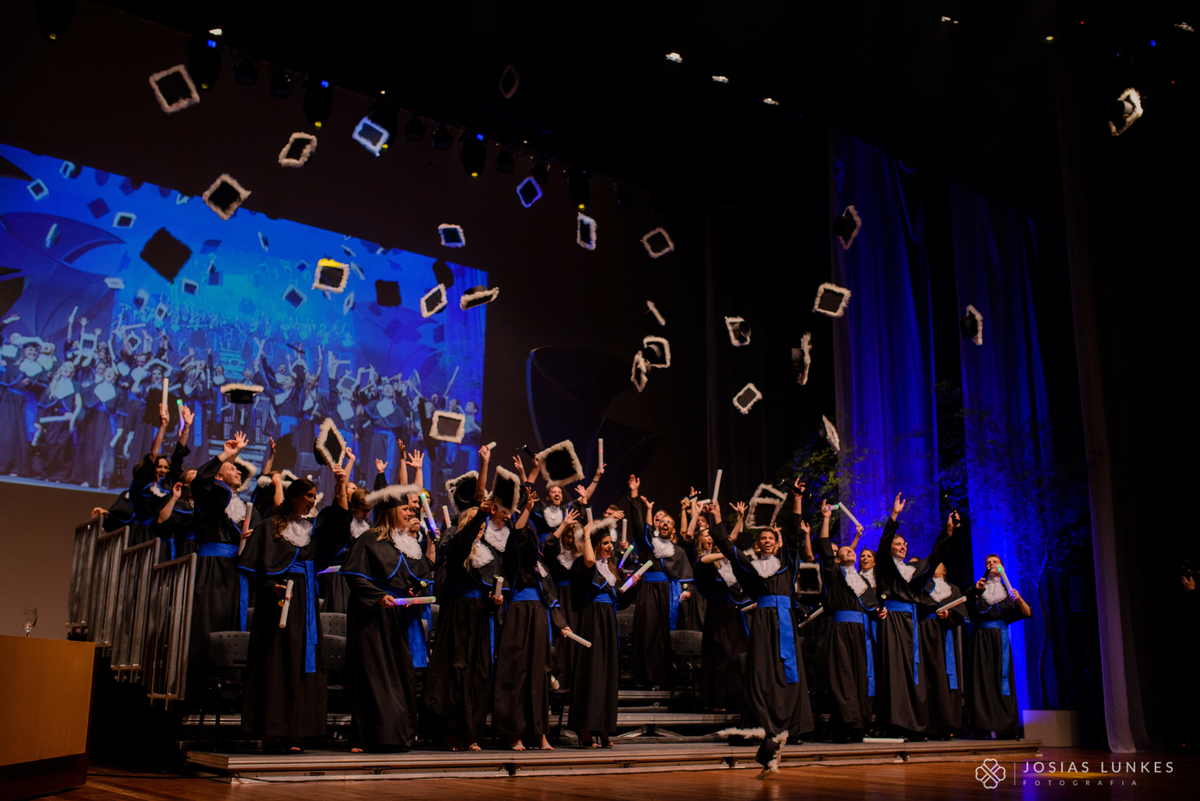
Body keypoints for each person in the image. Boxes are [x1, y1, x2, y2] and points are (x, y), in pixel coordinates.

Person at [238, 462, 353, 751]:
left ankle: (293, 732)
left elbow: (339, 526)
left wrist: (341, 486)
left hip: (305, 605)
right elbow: (254, 570)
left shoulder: (310, 531)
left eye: (315, 496)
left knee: (301, 663)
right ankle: (270, 730)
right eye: (308, 495)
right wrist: (271, 587)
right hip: (275, 605)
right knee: (275, 665)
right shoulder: (269, 527)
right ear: (294, 497)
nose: (312, 500)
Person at [707, 480, 813, 775]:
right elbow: (728, 549)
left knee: (787, 673)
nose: (767, 540)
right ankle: (765, 728)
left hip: (785, 623)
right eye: (762, 538)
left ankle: (785, 729)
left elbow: (794, 536)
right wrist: (717, 517)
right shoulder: (751, 568)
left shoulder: (786, 564)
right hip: (763, 624)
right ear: (758, 544)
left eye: (771, 538)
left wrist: (797, 499)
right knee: (759, 675)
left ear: (776, 544)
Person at [339, 481, 433, 752]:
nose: (411, 513)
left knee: (401, 676)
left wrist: (415, 591)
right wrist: (378, 595)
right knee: (372, 676)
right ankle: (366, 737)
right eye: (406, 509)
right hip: (370, 617)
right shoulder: (369, 539)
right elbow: (355, 577)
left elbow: (418, 577)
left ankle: (398, 735)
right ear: (391, 512)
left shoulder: (407, 543)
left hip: (398, 618)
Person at [493, 480, 570, 750]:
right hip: (518, 615)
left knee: (539, 674)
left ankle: (539, 732)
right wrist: (527, 507)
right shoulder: (514, 559)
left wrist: (561, 624)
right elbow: (519, 532)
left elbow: (551, 598)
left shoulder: (541, 568)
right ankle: (513, 732)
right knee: (516, 672)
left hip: (539, 617)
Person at [874, 494, 958, 738]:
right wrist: (894, 516)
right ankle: (895, 723)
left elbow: (935, 557)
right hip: (892, 621)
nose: (903, 547)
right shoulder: (886, 566)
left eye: (904, 545)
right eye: (898, 544)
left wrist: (948, 531)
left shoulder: (914, 570)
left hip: (912, 622)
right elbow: (883, 544)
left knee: (914, 671)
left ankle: (915, 724)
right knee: (895, 671)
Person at [814, 498, 878, 742]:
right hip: (841, 630)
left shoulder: (861, 579)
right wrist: (826, 519)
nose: (850, 551)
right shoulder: (835, 576)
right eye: (844, 551)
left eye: (852, 550)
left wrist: (878, 612)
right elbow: (825, 551)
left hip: (861, 632)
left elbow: (871, 604)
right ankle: (846, 724)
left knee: (860, 676)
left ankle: (859, 723)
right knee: (843, 677)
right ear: (838, 560)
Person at [627, 474, 698, 689]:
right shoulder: (649, 545)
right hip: (648, 593)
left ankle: (664, 678)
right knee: (648, 634)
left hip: (670, 596)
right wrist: (634, 494)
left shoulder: (678, 552)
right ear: (658, 527)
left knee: (664, 636)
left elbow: (686, 578)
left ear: (674, 530)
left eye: (670, 522)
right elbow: (637, 523)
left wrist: (686, 591)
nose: (665, 524)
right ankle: (646, 677)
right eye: (662, 522)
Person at [568, 514, 622, 749]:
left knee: (607, 674)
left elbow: (619, 600)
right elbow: (589, 558)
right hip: (592, 621)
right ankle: (585, 727)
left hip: (608, 622)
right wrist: (587, 535)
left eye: (611, 543)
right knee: (591, 673)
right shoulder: (583, 564)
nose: (610, 547)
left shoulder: (609, 569)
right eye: (605, 543)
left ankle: (603, 726)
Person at [964, 554, 1032, 739]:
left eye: (995, 562)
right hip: (980, 640)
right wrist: (975, 591)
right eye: (988, 562)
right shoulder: (978, 590)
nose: (991, 564)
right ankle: (981, 727)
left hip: (1000, 641)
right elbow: (968, 606)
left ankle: (1005, 727)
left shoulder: (1008, 593)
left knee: (1002, 681)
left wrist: (1019, 599)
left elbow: (1027, 612)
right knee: (981, 681)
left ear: (1002, 567)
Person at [693, 499, 750, 713]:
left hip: (734, 613)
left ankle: (736, 699)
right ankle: (718, 699)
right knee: (721, 657)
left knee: (737, 657)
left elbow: (730, 539)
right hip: (717, 614)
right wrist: (727, 552)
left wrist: (741, 518)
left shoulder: (729, 564)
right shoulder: (707, 560)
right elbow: (704, 561)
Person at [917, 550, 968, 739]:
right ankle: (929, 723)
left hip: (945, 636)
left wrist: (948, 615)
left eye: (939, 564)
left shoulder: (953, 589)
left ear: (945, 571)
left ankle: (948, 723)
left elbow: (960, 613)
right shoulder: (923, 586)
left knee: (946, 677)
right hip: (926, 634)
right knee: (928, 676)